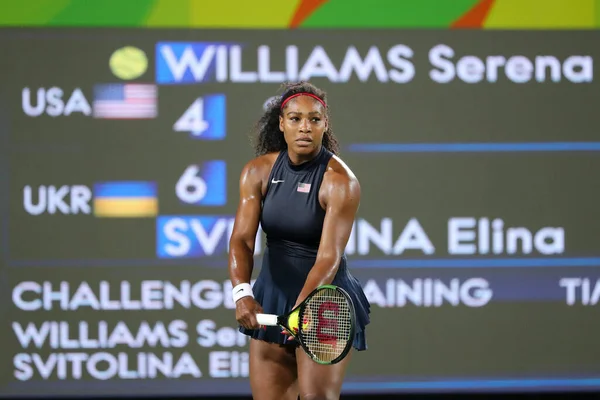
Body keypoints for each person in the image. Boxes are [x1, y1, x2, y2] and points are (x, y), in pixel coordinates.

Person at [228, 81, 371, 400]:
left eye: (314, 119)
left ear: (325, 124)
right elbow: (241, 240)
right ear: (281, 123)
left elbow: (328, 258)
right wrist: (242, 294)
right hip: (272, 295)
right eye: (295, 119)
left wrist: (303, 311)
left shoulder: (340, 182)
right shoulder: (257, 172)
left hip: (324, 301)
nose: (305, 127)